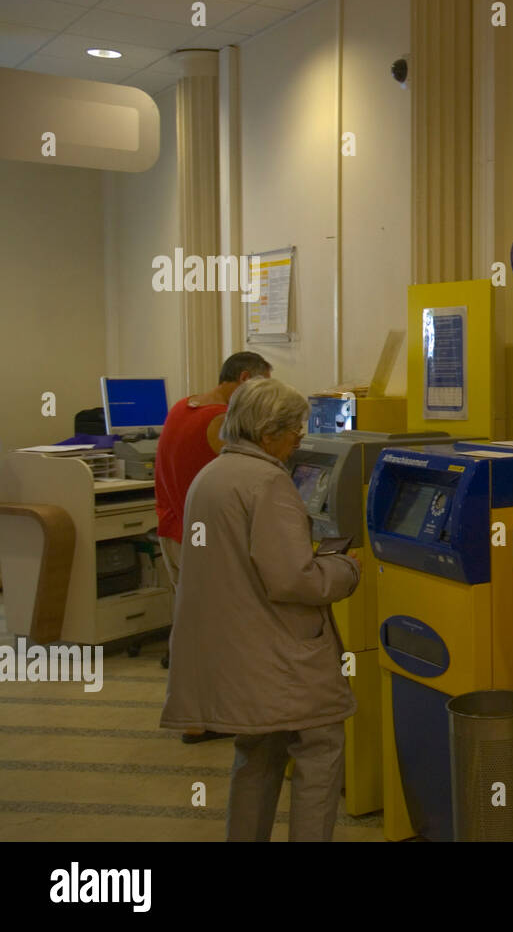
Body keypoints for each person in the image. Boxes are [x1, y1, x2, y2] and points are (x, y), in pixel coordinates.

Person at [160, 378, 360, 842]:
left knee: (259, 752)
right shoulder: (268, 483)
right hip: (277, 654)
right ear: (268, 433)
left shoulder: (211, 477)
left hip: (235, 652)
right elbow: (294, 579)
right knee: (320, 747)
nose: (299, 442)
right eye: (294, 431)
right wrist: (345, 571)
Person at [154, 351, 270, 743]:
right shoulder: (220, 421)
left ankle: (199, 715)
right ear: (242, 379)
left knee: (191, 625)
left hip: (172, 530)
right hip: (202, 539)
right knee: (210, 631)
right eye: (260, 388)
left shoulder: (181, 408)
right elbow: (247, 472)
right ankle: (199, 721)